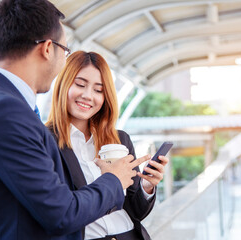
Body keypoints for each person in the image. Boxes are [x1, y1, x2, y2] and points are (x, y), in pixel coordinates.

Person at [0, 0, 149, 239]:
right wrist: (114, 180)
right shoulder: (7, 113)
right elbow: (61, 213)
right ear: (47, 48)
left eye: (98, 89)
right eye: (65, 51)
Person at [46, 51, 169, 240]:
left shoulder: (120, 140)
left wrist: (147, 185)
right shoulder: (45, 141)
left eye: (98, 90)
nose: (88, 96)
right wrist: (111, 180)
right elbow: (57, 211)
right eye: (80, 84)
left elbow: (136, 211)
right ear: (64, 84)